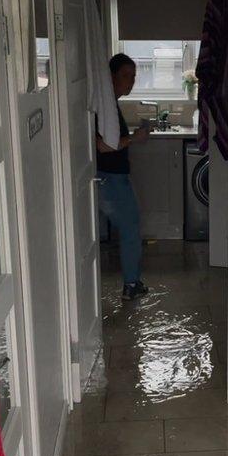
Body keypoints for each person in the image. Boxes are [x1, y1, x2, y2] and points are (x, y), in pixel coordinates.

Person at [96, 53, 150, 300]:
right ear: (111, 77)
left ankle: (133, 282)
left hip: (114, 177)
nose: (130, 82)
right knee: (130, 230)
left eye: (134, 77)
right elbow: (102, 146)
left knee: (131, 228)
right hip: (109, 178)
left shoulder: (109, 105)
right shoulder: (102, 107)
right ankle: (131, 285)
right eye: (126, 76)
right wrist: (134, 139)